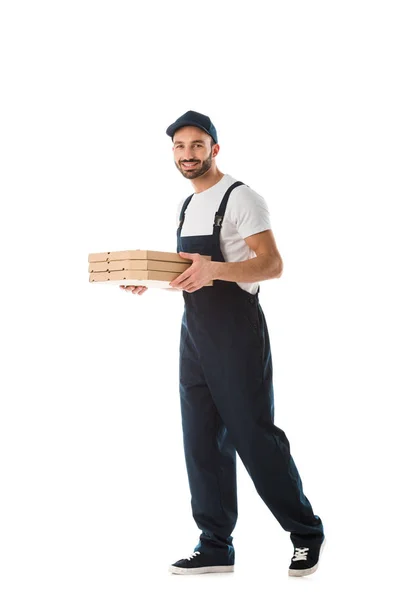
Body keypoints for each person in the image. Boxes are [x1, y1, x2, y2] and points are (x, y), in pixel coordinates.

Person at [120, 110, 325, 578]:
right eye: (179, 146)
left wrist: (214, 270)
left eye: (197, 145)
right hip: (194, 335)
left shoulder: (241, 197)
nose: (187, 154)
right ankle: (215, 544)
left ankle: (306, 533)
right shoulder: (186, 205)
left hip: (236, 335)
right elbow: (191, 271)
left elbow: (271, 264)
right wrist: (149, 279)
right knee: (200, 441)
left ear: (215, 148)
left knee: (253, 438)